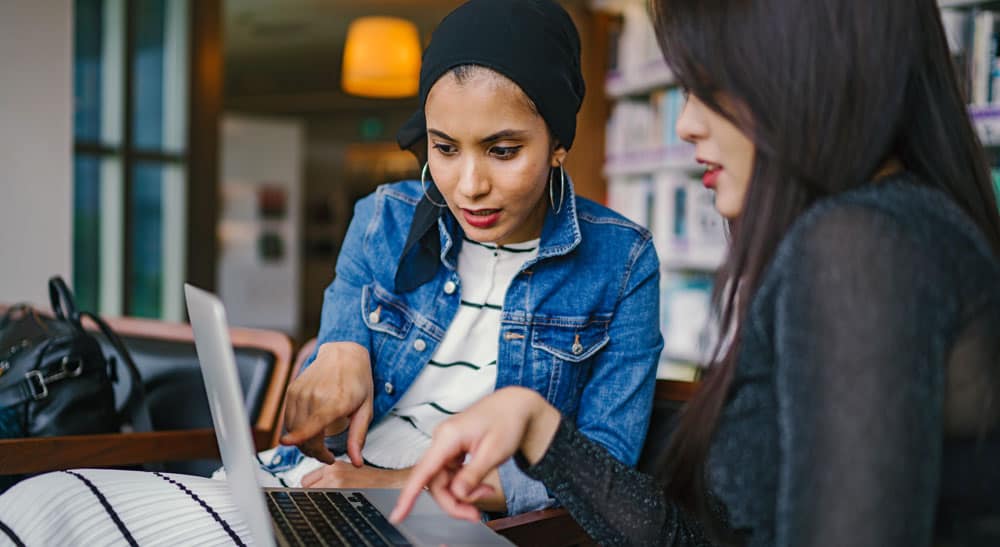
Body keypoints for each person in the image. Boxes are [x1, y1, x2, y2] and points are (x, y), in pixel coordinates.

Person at [0, 0, 662, 541]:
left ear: (560, 144)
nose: (468, 185)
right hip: (308, 484)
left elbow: (598, 473)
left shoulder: (621, 260)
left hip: (437, 521)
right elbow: (335, 358)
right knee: (42, 503)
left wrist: (405, 485)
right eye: (443, 148)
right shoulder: (387, 215)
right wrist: (335, 348)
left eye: (503, 149)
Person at [391, 0, 1000, 545]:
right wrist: (539, 427)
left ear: (808, 69)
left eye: (708, 86)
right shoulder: (889, 232)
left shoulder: (863, 247)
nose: (685, 124)